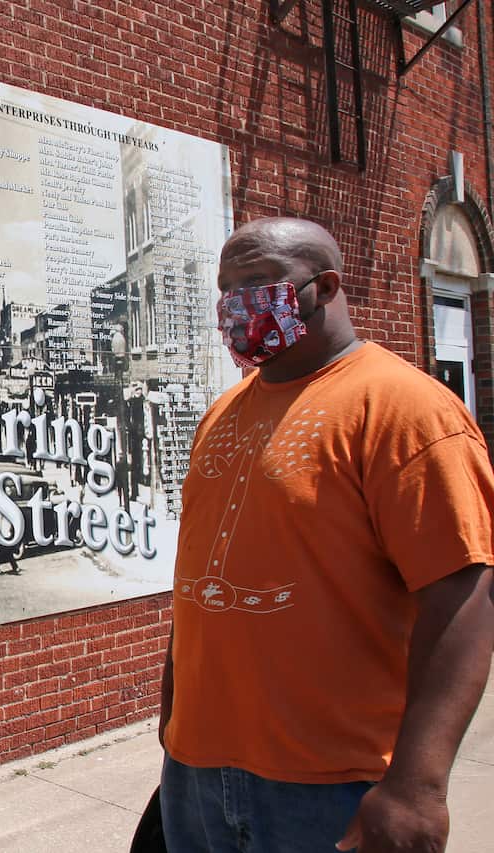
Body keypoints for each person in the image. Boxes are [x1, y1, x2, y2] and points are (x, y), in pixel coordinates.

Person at [158, 217, 494, 852]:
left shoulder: (404, 409)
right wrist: (173, 712)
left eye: (258, 282)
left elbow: (464, 594)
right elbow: (200, 575)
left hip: (333, 785)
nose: (237, 304)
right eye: (227, 289)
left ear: (327, 287)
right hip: (196, 774)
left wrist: (418, 786)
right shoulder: (222, 412)